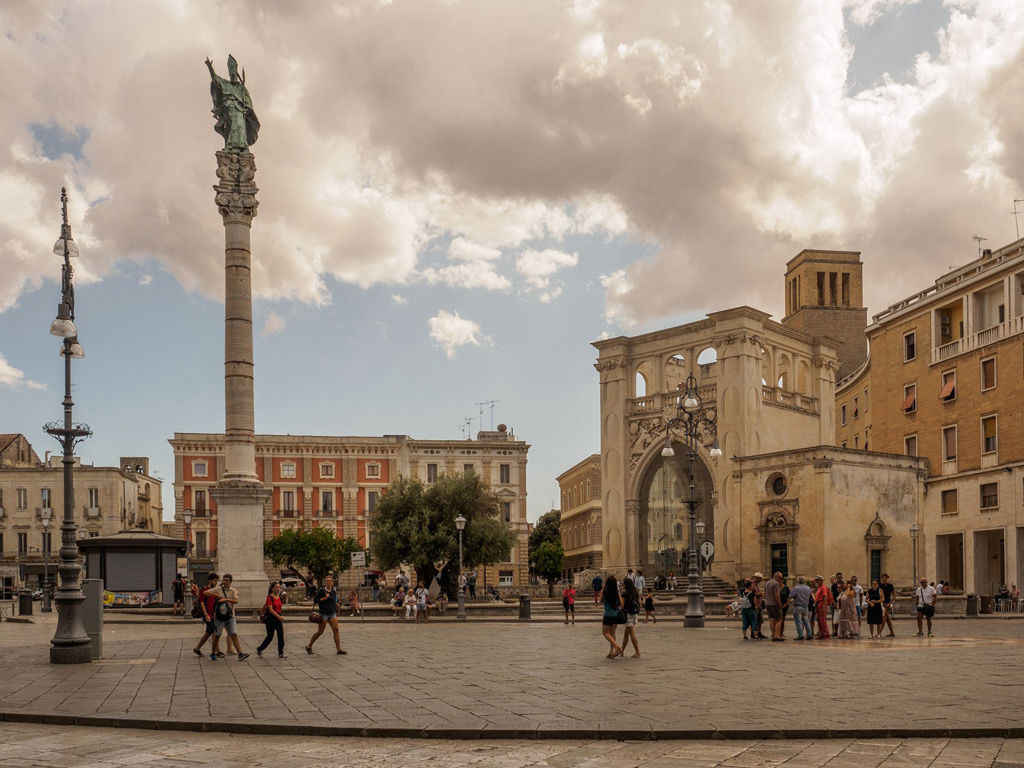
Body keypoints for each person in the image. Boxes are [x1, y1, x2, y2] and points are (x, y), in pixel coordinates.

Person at [210, 574, 248, 661]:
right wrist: (216, 595)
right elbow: (205, 592)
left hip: (231, 616)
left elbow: (236, 601)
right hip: (219, 616)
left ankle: (240, 654)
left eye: (227, 580)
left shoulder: (233, 590)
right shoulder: (218, 589)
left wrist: (225, 599)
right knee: (217, 635)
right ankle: (213, 653)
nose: (225, 582)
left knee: (234, 634)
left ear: (230, 582)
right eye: (224, 580)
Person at [306, 575, 346, 655]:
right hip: (323, 614)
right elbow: (315, 601)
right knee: (320, 632)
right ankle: (309, 646)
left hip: (332, 613)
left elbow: (334, 601)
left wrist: (337, 605)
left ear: (332, 582)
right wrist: (324, 598)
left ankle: (338, 649)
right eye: (326, 581)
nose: (328, 582)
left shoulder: (333, 591)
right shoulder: (321, 590)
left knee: (336, 630)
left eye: (329, 581)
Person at [192, 573, 222, 658]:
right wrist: (206, 615)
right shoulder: (204, 590)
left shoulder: (215, 590)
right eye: (214, 581)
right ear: (209, 581)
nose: (215, 583)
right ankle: (216, 651)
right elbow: (202, 603)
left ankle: (199, 649)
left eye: (217, 581)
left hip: (214, 614)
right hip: (207, 614)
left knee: (211, 632)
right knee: (212, 632)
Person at [257, 581, 285, 658]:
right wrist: (279, 617)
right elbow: (270, 610)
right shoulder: (269, 597)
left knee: (281, 636)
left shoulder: (280, 597)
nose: (278, 589)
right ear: (272, 588)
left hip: (278, 617)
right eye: (276, 587)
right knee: (270, 636)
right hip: (271, 618)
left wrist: (280, 616)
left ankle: (281, 653)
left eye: (279, 587)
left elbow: (280, 608)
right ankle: (260, 648)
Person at [601, 575, 624, 658]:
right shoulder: (617, 592)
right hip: (615, 615)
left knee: (605, 633)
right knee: (612, 633)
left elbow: (600, 600)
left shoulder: (604, 591)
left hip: (607, 615)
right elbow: (621, 603)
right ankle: (611, 651)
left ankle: (617, 647)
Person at [621, 577, 642, 657]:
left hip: (627, 615)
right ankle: (622, 651)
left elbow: (622, 606)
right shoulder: (635, 593)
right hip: (634, 614)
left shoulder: (624, 594)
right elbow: (639, 603)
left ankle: (637, 652)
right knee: (626, 634)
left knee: (632, 633)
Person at [789, 576, 813, 641]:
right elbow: (810, 595)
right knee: (806, 621)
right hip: (805, 606)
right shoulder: (808, 588)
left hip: (798, 606)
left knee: (798, 621)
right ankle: (809, 634)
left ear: (798, 581)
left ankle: (801, 635)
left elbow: (791, 596)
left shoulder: (796, 588)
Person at [813, 575, 832, 640]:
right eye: (816, 580)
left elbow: (825, 597)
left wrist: (824, 606)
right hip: (818, 605)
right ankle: (821, 633)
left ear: (821, 581)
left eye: (817, 580)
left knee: (823, 621)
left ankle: (826, 634)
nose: (816, 582)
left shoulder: (823, 587)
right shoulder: (819, 588)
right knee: (819, 621)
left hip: (822, 605)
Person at [880, 573, 896, 637]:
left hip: (887, 603)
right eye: (883, 577)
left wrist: (890, 603)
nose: (884, 579)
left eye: (885, 577)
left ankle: (879, 632)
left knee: (883, 617)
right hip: (881, 602)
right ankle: (892, 632)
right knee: (887, 618)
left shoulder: (890, 585)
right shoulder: (880, 585)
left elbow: (894, 595)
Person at [751, 573, 766, 639]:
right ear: (756, 578)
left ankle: (759, 633)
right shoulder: (751, 585)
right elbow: (751, 594)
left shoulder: (756, 585)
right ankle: (753, 633)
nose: (760, 580)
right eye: (760, 579)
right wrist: (759, 593)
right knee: (754, 620)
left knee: (760, 620)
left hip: (759, 605)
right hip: (755, 605)